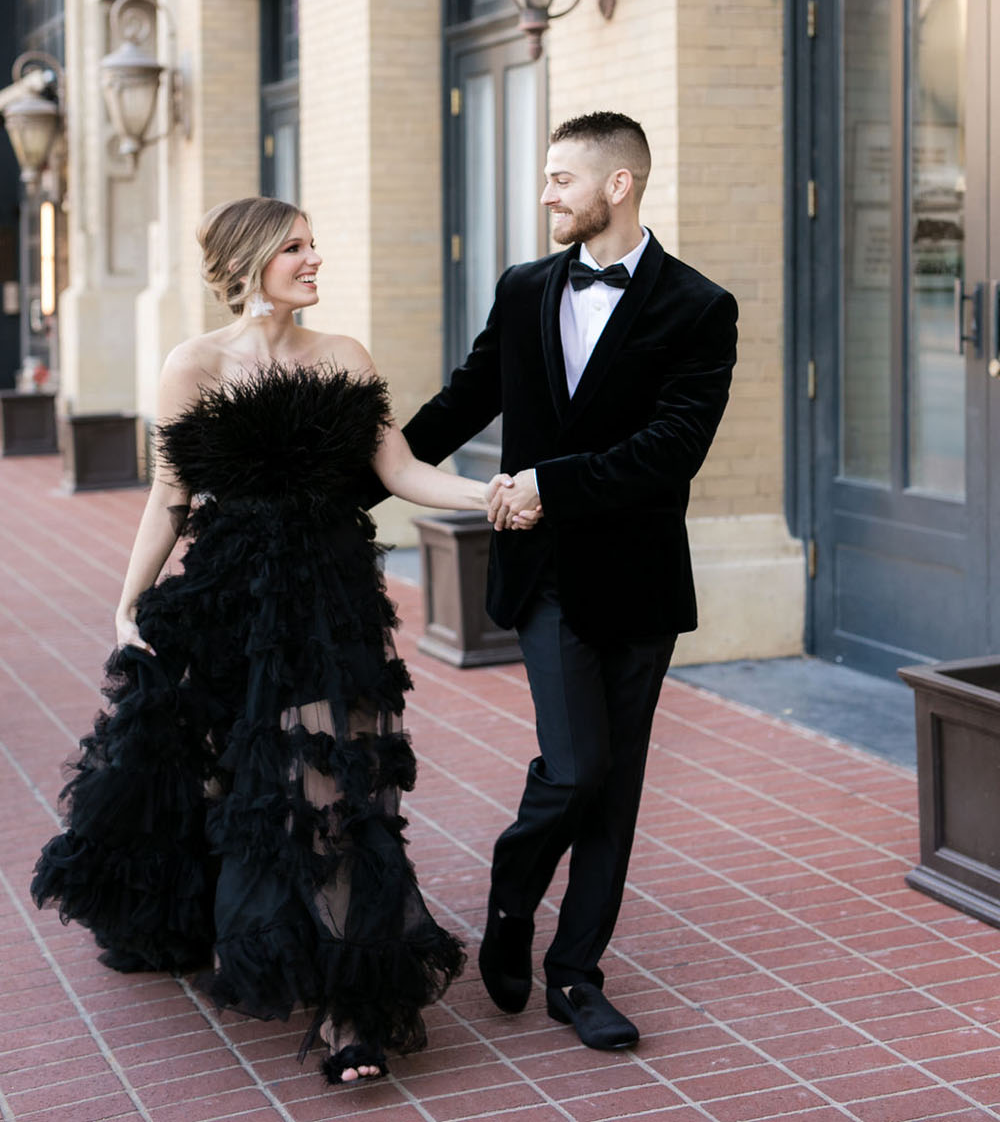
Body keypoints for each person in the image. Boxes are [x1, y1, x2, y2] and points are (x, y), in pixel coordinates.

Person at [31, 197, 528, 1086]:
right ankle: (218, 924)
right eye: (295, 247)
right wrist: (128, 601)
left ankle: (349, 1009)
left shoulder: (343, 356)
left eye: (313, 244)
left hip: (329, 603)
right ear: (248, 261)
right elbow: (170, 498)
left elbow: (401, 470)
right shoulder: (193, 365)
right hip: (228, 605)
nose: (314, 259)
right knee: (232, 783)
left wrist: (492, 493)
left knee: (333, 789)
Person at [399, 111, 738, 1051]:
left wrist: (548, 483)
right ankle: (513, 899)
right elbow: (462, 402)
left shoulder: (700, 307)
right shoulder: (523, 289)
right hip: (545, 576)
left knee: (614, 788)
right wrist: (359, 475)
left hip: (641, 582)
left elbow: (673, 449)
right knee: (578, 766)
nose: (546, 193)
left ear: (618, 184)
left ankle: (577, 973)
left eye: (561, 178)